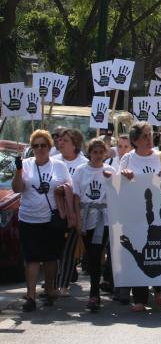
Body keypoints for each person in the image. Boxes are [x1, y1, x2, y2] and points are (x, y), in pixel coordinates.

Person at [13, 130, 71, 312]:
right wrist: (18, 171)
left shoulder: (59, 166)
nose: (40, 149)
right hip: (28, 219)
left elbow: (69, 188)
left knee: (50, 257)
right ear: (32, 148)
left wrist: (62, 189)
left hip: (51, 219)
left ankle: (49, 289)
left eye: (43, 145)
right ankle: (31, 296)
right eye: (36, 146)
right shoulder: (26, 165)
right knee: (31, 259)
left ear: (49, 147)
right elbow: (17, 189)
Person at [119, 121, 161, 311]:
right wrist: (124, 176)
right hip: (135, 215)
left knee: (156, 250)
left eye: (150, 135)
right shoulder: (127, 159)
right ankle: (140, 298)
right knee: (138, 251)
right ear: (135, 141)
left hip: (158, 214)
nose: (149, 139)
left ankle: (158, 289)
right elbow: (117, 186)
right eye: (144, 136)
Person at [71, 138, 115, 311]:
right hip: (86, 217)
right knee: (91, 255)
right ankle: (95, 289)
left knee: (96, 254)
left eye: (101, 152)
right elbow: (76, 197)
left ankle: (94, 295)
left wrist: (112, 180)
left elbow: (118, 193)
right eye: (95, 152)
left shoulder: (110, 170)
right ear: (89, 153)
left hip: (103, 218)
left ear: (105, 154)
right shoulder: (81, 170)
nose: (97, 155)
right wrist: (77, 219)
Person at [55, 128, 88, 294]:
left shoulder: (84, 164)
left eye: (65, 140)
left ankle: (63, 285)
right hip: (56, 213)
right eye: (60, 140)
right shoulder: (53, 161)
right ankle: (54, 280)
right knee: (56, 251)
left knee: (68, 251)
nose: (60, 143)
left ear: (75, 144)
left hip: (75, 214)